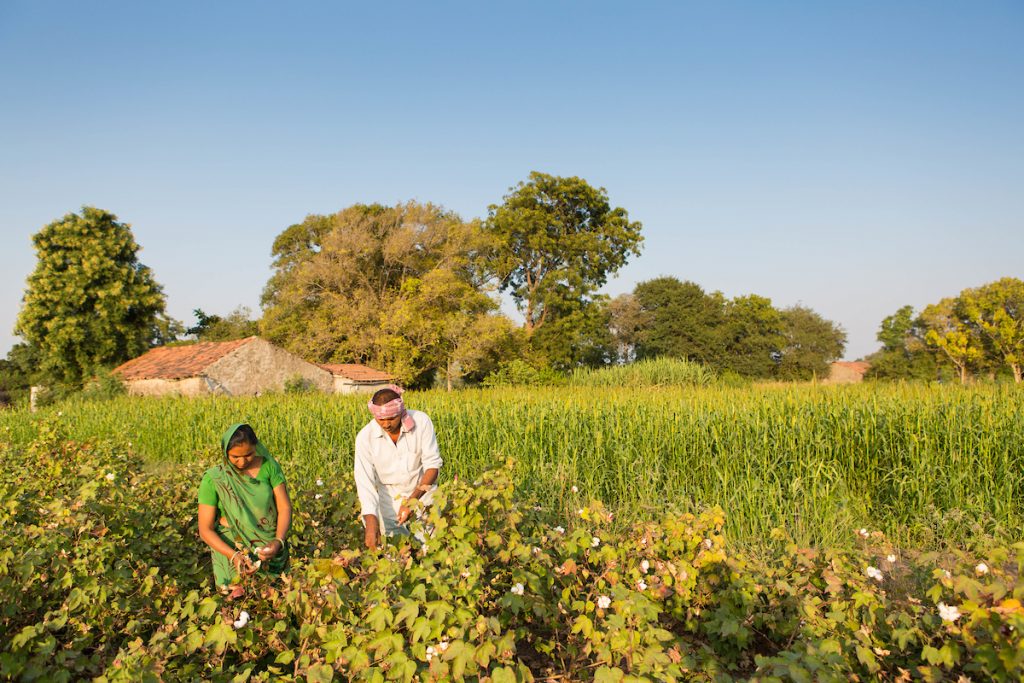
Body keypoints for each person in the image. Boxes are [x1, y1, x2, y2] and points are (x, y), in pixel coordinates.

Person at [197, 423, 292, 597]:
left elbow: (284, 507)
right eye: (235, 457)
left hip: (269, 548)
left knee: (275, 602)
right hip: (230, 548)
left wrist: (279, 540)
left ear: (256, 447)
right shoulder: (214, 479)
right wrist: (234, 556)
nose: (242, 462)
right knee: (236, 609)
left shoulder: (269, 467)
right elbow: (205, 529)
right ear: (225, 452)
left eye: (248, 454)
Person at [355, 385, 442, 549]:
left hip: (423, 498)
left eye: (391, 418)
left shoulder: (421, 422)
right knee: (396, 556)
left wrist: (412, 501)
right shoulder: (365, 438)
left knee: (429, 552)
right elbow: (364, 482)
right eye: (381, 420)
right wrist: (371, 523)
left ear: (402, 412)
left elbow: (433, 466)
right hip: (389, 503)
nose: (386, 424)